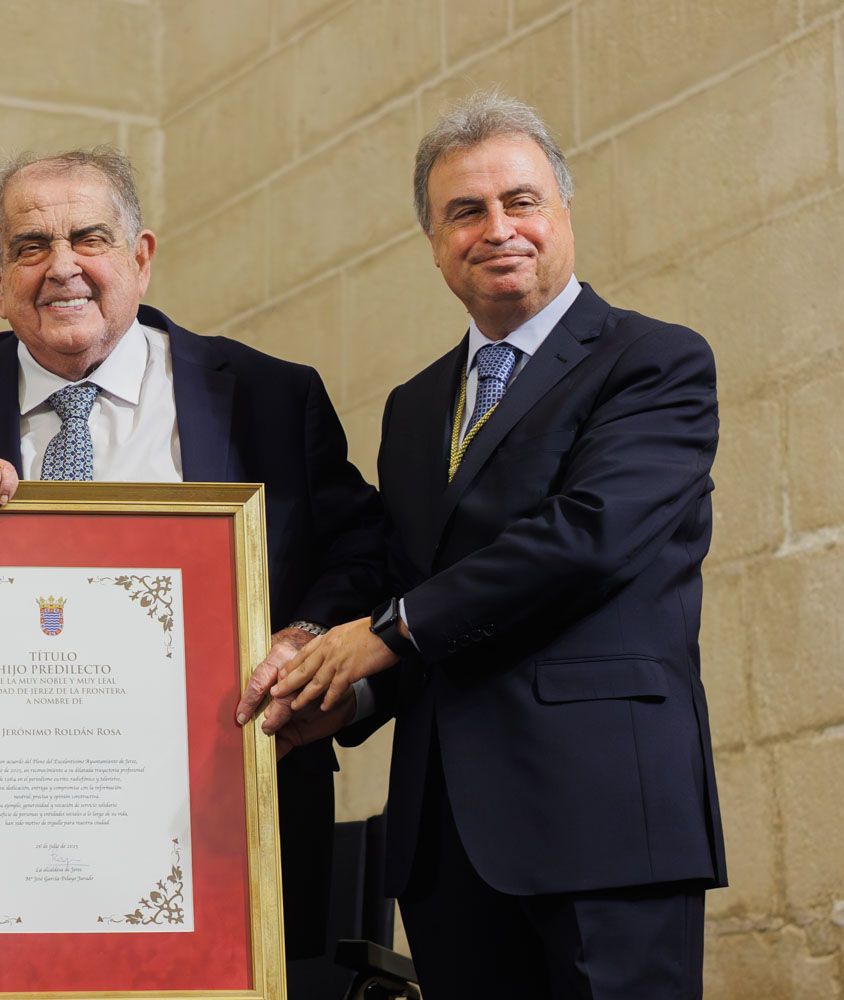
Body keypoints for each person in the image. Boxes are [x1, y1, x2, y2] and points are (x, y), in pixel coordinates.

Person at [244, 93, 726, 997]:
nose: (497, 228)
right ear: (433, 243)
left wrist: (380, 632)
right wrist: (342, 697)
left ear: (563, 213)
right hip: (446, 842)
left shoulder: (653, 362)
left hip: (604, 822)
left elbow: (587, 536)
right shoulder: (416, 405)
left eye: (522, 200)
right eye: (465, 211)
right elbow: (413, 583)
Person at [0, 147, 385, 963]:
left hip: (226, 827)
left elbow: (364, 553)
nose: (62, 268)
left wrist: (304, 634)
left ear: (141, 258)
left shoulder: (267, 394)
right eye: (31, 246)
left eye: (90, 238)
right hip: (1, 841)